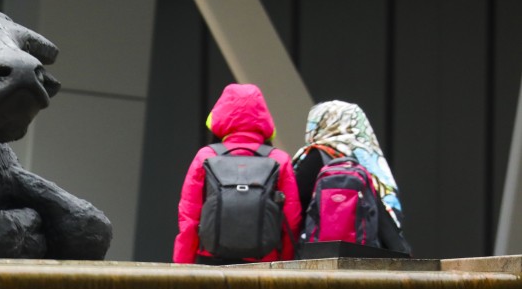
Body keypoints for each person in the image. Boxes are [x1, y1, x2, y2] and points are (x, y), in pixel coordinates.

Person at [173, 83, 302, 265]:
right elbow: (291, 220)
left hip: (212, 261)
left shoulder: (206, 156)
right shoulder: (279, 160)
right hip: (264, 263)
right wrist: (286, 264)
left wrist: (182, 266)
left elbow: (189, 217)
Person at [292, 100, 411, 254]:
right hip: (369, 254)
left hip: (320, 255)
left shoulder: (315, 157)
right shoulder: (371, 159)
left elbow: (295, 206)